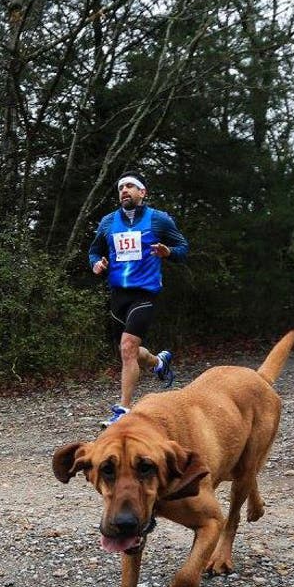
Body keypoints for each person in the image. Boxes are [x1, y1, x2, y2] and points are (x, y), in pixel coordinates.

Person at [88, 169, 188, 427]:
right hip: (118, 295)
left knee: (127, 348)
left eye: (131, 187)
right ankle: (158, 361)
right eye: (121, 188)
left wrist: (168, 253)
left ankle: (123, 410)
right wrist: (96, 264)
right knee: (128, 353)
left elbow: (183, 248)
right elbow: (94, 251)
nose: (124, 191)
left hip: (144, 292)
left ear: (142, 193)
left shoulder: (158, 220)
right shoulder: (108, 222)